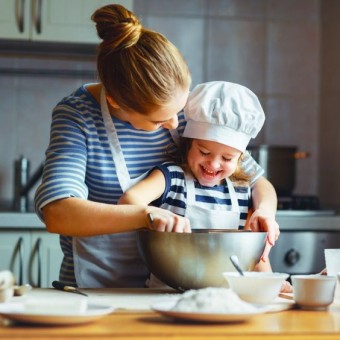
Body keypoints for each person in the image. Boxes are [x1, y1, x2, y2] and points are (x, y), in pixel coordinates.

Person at [34, 4, 279, 288]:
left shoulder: (193, 112)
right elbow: (58, 213)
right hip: (99, 290)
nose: (176, 124)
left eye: (179, 110)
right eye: (159, 120)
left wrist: (264, 211)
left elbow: (256, 181)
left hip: (174, 290)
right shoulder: (78, 116)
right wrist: (145, 215)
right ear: (116, 102)